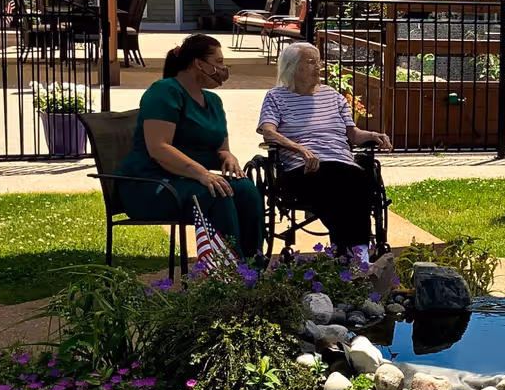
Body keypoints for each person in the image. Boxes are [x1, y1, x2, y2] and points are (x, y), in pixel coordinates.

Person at [114, 32, 264, 259]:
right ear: (198, 64)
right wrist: (203, 174)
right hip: (152, 185)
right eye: (219, 62)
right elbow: (159, 148)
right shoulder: (164, 92)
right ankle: (226, 273)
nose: (223, 70)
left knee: (245, 190)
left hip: (189, 182)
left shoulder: (213, 101)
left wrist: (228, 157)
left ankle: (253, 267)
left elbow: (221, 147)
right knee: (216, 193)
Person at [257, 41, 391, 254]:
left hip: (342, 165)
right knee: (340, 183)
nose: (318, 67)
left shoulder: (333, 96)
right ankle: (356, 255)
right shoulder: (276, 97)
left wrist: (374, 135)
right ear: (292, 67)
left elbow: (353, 134)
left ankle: (352, 254)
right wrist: (300, 149)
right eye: (311, 62)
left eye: (318, 62)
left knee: (357, 180)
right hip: (302, 168)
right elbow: (268, 132)